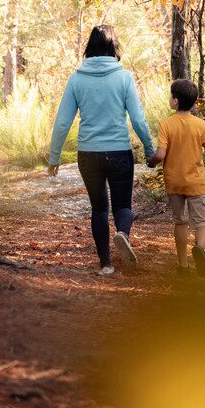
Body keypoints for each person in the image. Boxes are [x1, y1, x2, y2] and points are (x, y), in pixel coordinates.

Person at [47, 25, 156, 275]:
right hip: (119, 151)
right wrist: (150, 150)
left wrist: (54, 158)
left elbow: (63, 122)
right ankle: (122, 234)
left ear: (90, 47)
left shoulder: (77, 78)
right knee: (122, 205)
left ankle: (106, 264)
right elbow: (138, 120)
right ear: (113, 46)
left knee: (98, 208)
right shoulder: (124, 77)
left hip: (89, 153)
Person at [147, 78, 205, 277]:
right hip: (195, 182)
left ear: (175, 101)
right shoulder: (201, 125)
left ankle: (183, 265)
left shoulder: (165, 124)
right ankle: (199, 248)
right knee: (203, 222)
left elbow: (161, 154)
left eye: (171, 95)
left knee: (180, 222)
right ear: (193, 102)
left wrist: (151, 161)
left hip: (174, 181)